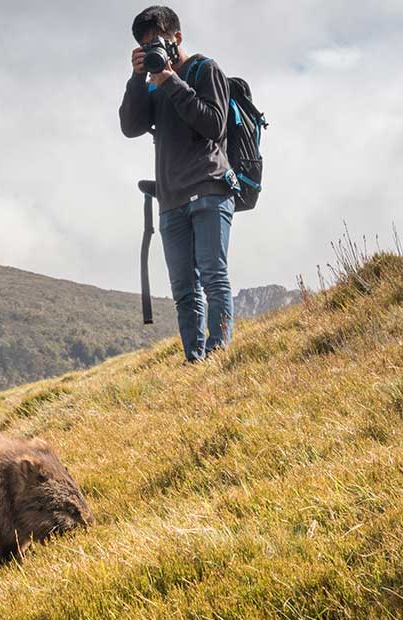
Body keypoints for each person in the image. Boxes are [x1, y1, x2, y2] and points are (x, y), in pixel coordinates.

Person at [119, 6, 237, 362]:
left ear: (178, 38)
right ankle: (194, 361)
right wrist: (138, 78)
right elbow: (130, 126)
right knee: (183, 290)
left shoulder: (205, 69)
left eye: (157, 43)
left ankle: (219, 357)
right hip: (170, 200)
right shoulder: (153, 84)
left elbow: (214, 125)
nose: (153, 50)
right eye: (145, 46)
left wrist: (171, 79)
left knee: (213, 277)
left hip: (209, 190)